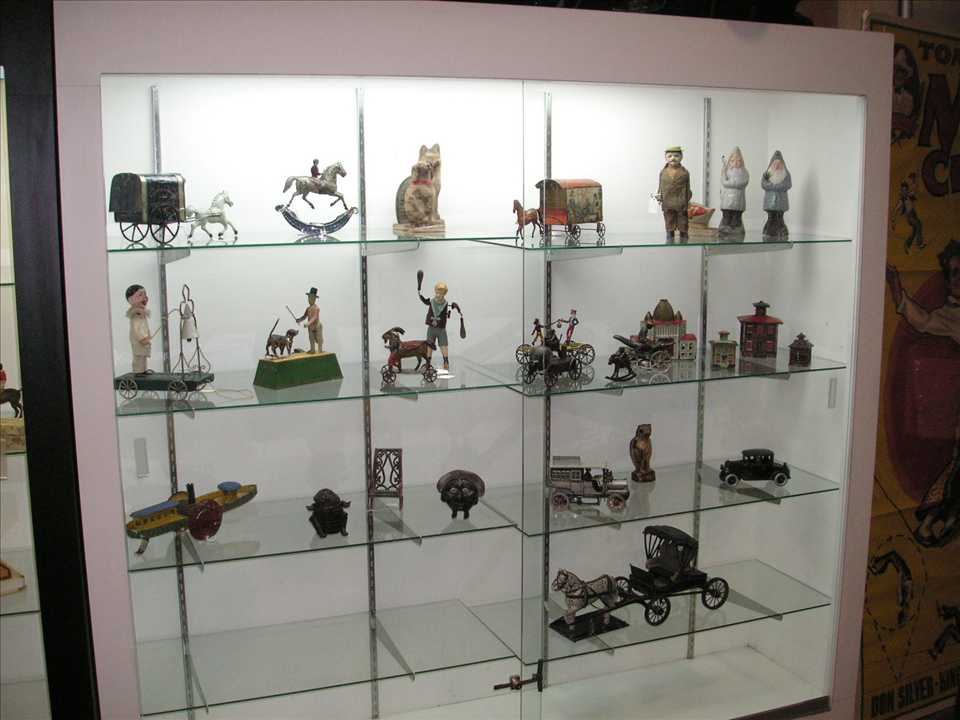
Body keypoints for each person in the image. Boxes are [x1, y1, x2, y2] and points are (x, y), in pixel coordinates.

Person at [419, 281, 460, 371]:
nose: (438, 295)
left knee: (443, 345)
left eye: (440, 293)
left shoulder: (446, 304)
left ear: (444, 294)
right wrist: (420, 295)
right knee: (429, 345)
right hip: (431, 328)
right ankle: (428, 362)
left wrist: (456, 308)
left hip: (441, 329)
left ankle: (446, 361)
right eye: (437, 292)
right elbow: (424, 301)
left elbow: (452, 309)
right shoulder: (431, 302)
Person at [657, 146, 692, 242]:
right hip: (667, 202)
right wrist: (659, 195)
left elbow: (688, 187)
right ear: (666, 158)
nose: (673, 158)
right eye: (670, 156)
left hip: (681, 202)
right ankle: (670, 233)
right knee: (669, 219)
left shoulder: (685, 172)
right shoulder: (663, 172)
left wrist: (687, 199)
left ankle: (683, 234)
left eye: (676, 156)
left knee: (683, 220)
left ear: (681, 157)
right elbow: (660, 185)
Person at [718, 146, 749, 237]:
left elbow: (744, 182)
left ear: (741, 161)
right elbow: (724, 182)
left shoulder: (744, 172)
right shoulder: (726, 171)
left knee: (736, 216)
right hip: (727, 199)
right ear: (729, 162)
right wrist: (732, 183)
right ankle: (725, 226)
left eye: (738, 161)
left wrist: (733, 183)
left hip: (738, 199)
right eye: (732, 161)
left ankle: (736, 227)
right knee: (727, 215)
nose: (735, 163)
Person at [761, 151, 792, 239]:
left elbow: (788, 184)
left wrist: (777, 186)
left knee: (779, 216)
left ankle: (780, 228)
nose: (777, 166)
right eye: (775, 164)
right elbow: (763, 183)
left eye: (779, 164)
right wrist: (773, 186)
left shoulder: (786, 174)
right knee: (771, 216)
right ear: (772, 164)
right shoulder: (768, 173)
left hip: (781, 201)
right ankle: (770, 228)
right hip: (770, 200)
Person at [892, 175, 925, 254]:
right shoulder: (901, 200)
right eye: (902, 190)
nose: (904, 192)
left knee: (915, 231)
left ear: (907, 190)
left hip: (914, 215)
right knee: (919, 224)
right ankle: (919, 244)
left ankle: (907, 245)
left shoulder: (910, 195)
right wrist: (893, 220)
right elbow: (895, 210)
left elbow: (915, 188)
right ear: (901, 191)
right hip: (910, 217)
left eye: (905, 190)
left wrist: (914, 180)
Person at [126, 284, 152, 374]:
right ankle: (138, 372)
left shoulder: (142, 314)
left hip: (143, 340)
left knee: (143, 357)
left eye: (145, 295)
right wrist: (143, 338)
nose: (144, 298)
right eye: (140, 295)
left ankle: (142, 371)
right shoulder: (136, 315)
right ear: (131, 300)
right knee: (139, 357)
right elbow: (137, 329)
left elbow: (143, 326)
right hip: (140, 340)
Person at [296, 287, 323, 353]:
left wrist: (308, 323)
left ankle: (320, 350)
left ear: (314, 299)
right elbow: (304, 316)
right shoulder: (308, 309)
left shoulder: (316, 308)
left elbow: (315, 317)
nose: (310, 299)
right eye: (309, 298)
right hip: (311, 327)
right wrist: (299, 320)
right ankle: (312, 350)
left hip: (317, 326)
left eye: (312, 298)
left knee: (319, 339)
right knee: (311, 338)